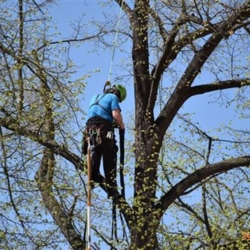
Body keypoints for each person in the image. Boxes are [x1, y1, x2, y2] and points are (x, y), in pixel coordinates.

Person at [83, 84, 126, 198]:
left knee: (96, 151)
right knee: (110, 155)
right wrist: (121, 125)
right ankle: (111, 187)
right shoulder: (113, 98)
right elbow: (116, 115)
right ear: (119, 94)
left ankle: (92, 177)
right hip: (104, 128)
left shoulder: (95, 97)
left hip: (90, 129)